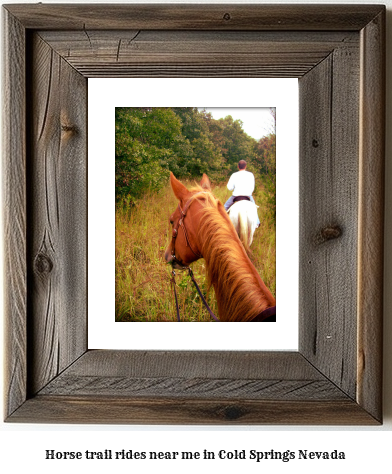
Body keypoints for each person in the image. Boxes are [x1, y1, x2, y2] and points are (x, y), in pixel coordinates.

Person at [224, 160, 260, 227]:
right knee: (254, 209)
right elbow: (252, 188)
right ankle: (257, 223)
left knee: (224, 207)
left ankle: (222, 223)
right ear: (245, 166)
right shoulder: (250, 174)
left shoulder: (234, 175)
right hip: (248, 196)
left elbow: (229, 187)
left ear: (238, 166)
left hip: (236, 196)